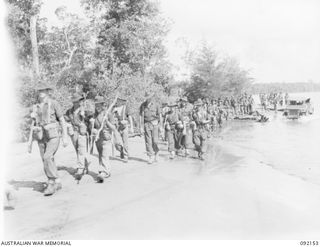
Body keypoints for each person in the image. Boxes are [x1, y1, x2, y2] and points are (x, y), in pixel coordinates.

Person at [30, 82, 68, 196]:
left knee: (47, 157)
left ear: (47, 92)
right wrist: (32, 115)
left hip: (53, 135)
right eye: (39, 91)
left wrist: (65, 137)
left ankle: (52, 181)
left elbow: (62, 120)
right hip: (41, 136)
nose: (41, 93)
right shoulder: (35, 106)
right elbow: (33, 122)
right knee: (45, 159)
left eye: (43, 90)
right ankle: (57, 182)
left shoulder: (54, 103)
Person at [90, 96, 119, 182]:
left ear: (103, 105)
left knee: (104, 155)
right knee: (100, 155)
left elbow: (113, 128)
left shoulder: (108, 114)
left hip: (106, 138)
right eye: (96, 105)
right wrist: (92, 127)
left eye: (99, 105)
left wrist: (107, 122)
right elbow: (93, 127)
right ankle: (104, 170)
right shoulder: (94, 115)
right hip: (98, 138)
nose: (97, 107)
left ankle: (105, 171)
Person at [65, 93, 91, 180]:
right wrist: (68, 125)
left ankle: (80, 168)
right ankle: (85, 166)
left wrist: (85, 117)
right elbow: (65, 119)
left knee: (81, 150)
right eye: (76, 101)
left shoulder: (85, 110)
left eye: (79, 101)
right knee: (78, 150)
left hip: (82, 132)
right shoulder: (69, 111)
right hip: (74, 132)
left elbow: (91, 119)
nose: (78, 103)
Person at [139, 93, 162, 164]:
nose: (148, 99)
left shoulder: (156, 105)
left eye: (149, 97)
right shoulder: (143, 105)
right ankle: (150, 157)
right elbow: (141, 116)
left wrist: (161, 126)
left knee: (155, 141)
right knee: (148, 141)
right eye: (147, 97)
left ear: (152, 97)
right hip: (146, 124)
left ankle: (156, 152)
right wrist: (141, 127)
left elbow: (160, 116)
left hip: (155, 124)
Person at [113, 98, 134, 163]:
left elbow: (129, 117)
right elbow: (111, 117)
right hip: (117, 127)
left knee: (125, 142)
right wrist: (113, 111)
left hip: (124, 126)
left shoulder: (126, 107)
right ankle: (121, 151)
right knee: (116, 142)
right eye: (118, 100)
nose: (118, 101)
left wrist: (131, 127)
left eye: (120, 100)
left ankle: (126, 155)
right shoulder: (114, 108)